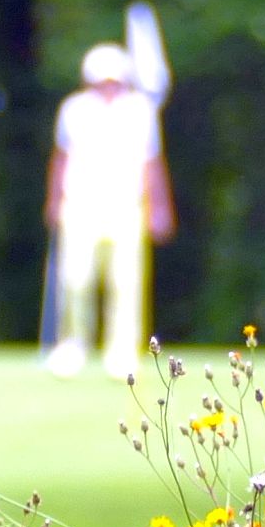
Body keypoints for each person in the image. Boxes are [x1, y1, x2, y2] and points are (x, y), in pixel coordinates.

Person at [45, 40, 174, 379]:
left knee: (126, 282)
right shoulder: (74, 109)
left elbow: (151, 162)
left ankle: (123, 352)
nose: (108, 87)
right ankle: (73, 344)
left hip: (126, 206)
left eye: (114, 81)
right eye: (102, 81)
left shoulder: (140, 109)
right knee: (75, 279)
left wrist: (158, 206)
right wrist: (55, 200)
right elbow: (62, 158)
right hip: (81, 204)